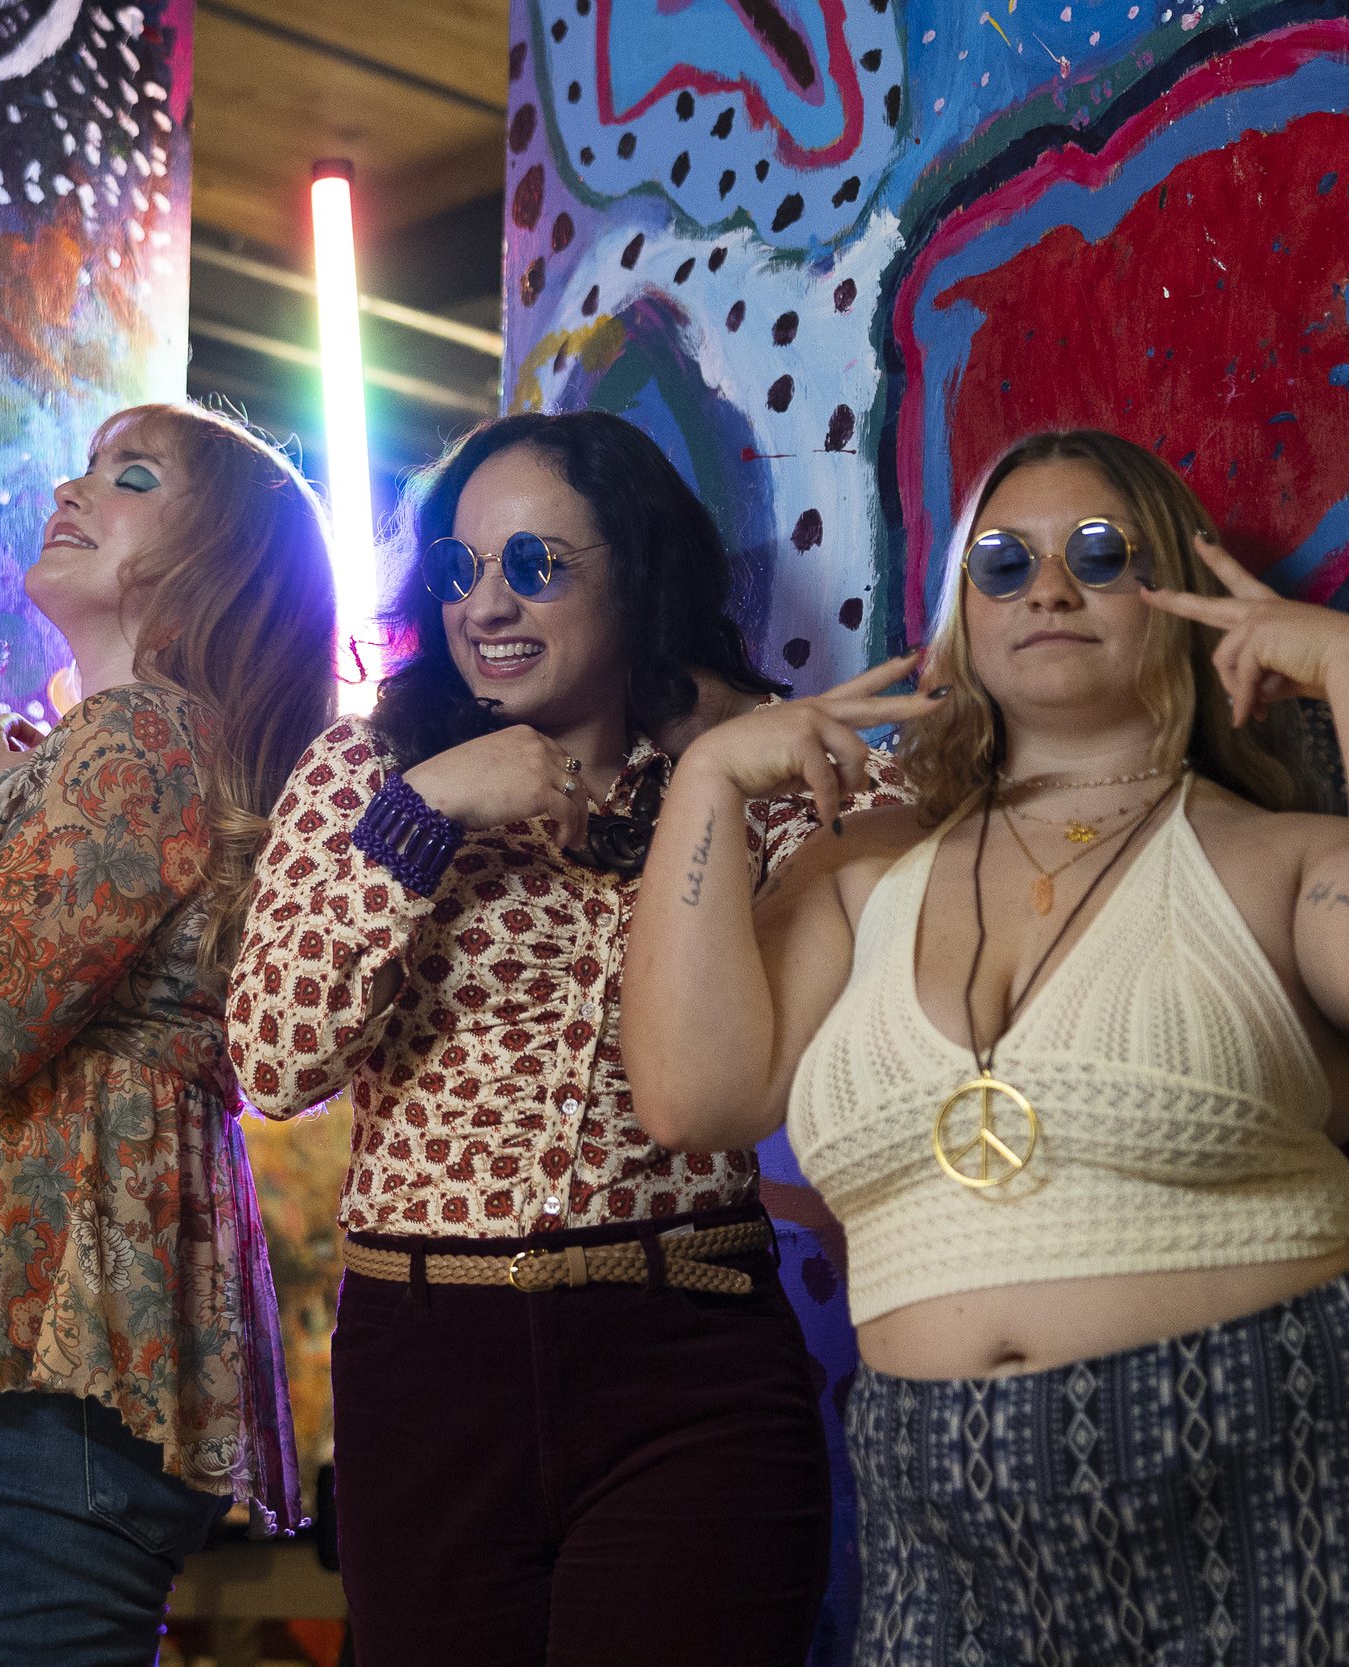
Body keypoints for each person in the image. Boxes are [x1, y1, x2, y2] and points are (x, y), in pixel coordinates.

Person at [627, 428, 1349, 1665]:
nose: (1045, 587)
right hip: (937, 1498)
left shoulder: (1273, 859)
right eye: (1000, 563)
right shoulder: (860, 878)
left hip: (1275, 1457)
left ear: (1182, 600)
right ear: (961, 617)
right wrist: (710, 784)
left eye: (1098, 555)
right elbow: (691, 1095)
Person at [228, 409, 891, 1666]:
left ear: (636, 572)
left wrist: (715, 731)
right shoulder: (367, 770)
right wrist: (428, 812)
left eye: (535, 564)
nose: (486, 602)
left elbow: (907, 845)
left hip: (685, 1346)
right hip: (426, 1370)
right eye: (460, 569)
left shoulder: (736, 770)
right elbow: (272, 1058)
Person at [0, 402, 328, 1667]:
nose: (73, 491)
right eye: (81, 467)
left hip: (18, 1366)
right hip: (32, 1377)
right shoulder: (128, 747)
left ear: (216, 568)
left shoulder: (138, 736)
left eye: (129, 477)